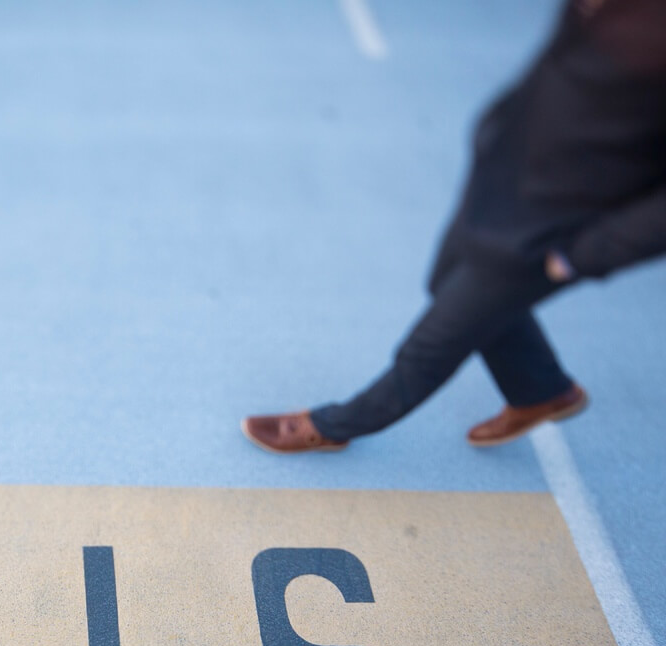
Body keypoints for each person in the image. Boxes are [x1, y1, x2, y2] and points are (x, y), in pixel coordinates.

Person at [243, 0, 666, 454]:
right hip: (503, 179)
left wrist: (583, 256)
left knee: (430, 347)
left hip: (552, 228)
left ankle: (335, 425)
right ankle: (542, 391)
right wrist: (495, 128)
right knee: (444, 281)